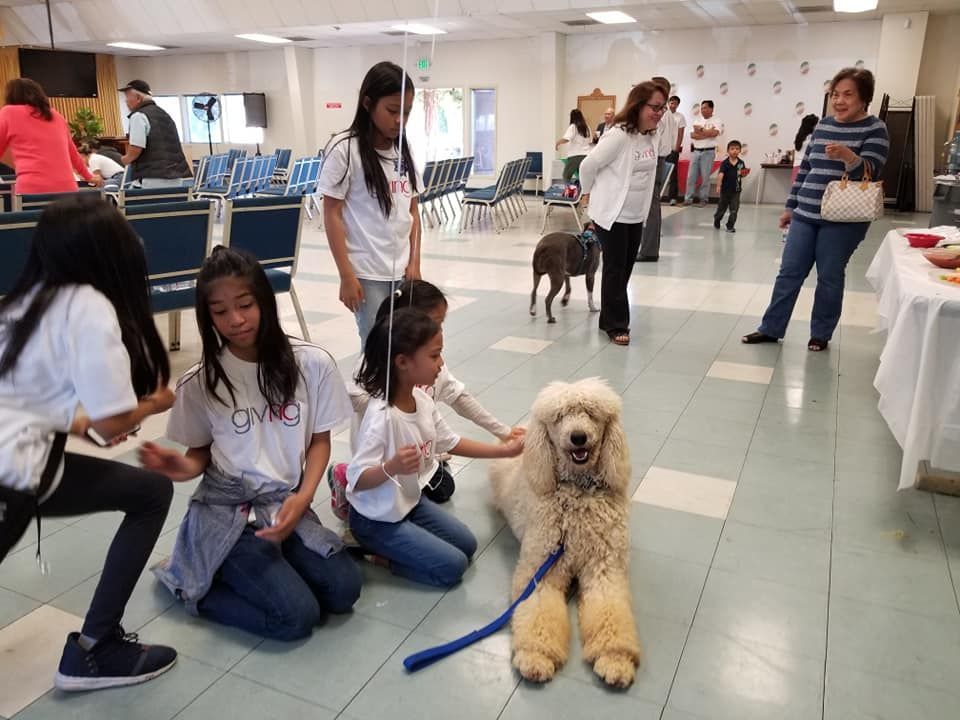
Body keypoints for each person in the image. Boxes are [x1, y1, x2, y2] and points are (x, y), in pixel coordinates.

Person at [0, 195, 176, 691]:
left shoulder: (23, 299)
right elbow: (110, 424)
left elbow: (20, 394)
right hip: (13, 473)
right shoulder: (90, 307)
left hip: (16, 458)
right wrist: (155, 403)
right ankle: (96, 650)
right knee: (152, 494)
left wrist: (72, 422)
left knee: (146, 492)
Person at [141, 247, 362, 639]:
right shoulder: (202, 381)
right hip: (232, 514)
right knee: (297, 618)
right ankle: (192, 578)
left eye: (245, 304)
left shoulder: (311, 363)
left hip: (284, 505)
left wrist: (303, 498)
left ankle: (261, 565)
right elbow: (198, 457)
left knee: (344, 590)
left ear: (263, 299)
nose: (236, 320)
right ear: (207, 316)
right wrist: (177, 468)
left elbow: (319, 442)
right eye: (220, 311)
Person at [346, 308, 524, 587]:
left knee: (467, 545)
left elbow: (451, 441)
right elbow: (356, 479)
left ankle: (405, 540)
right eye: (434, 355)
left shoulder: (422, 399)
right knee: (452, 567)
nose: (441, 364)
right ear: (403, 362)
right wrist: (390, 467)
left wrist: (505, 450)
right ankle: (377, 554)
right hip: (375, 519)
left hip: (411, 504)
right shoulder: (382, 417)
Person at [328, 280, 524, 511]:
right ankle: (345, 478)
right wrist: (389, 402)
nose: (439, 333)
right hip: (381, 464)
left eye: (441, 324)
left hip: (414, 459)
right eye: (434, 323)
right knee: (397, 496)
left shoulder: (428, 372)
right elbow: (348, 395)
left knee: (442, 487)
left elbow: (459, 403)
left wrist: (504, 433)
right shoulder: (379, 368)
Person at [742, 68, 888, 352]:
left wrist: (848, 156)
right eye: (835, 94)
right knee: (789, 272)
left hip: (844, 218)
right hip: (806, 212)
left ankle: (820, 334)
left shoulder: (875, 128)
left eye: (848, 94)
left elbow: (871, 170)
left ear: (864, 99)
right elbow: (806, 169)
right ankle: (771, 328)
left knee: (830, 275)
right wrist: (790, 206)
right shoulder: (822, 126)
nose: (839, 101)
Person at [319, 61, 422, 350]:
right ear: (367, 103)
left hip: (401, 271)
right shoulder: (344, 149)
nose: (400, 120)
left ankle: (398, 397)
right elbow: (332, 215)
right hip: (367, 274)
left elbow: (413, 211)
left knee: (404, 348)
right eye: (392, 110)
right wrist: (346, 276)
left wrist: (414, 262)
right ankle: (373, 397)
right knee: (377, 350)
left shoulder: (404, 149)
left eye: (407, 112)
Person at [579, 81, 665, 347]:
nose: (659, 113)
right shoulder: (618, 135)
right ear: (638, 105)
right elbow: (588, 164)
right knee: (615, 269)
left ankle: (609, 318)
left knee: (625, 268)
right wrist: (587, 191)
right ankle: (617, 325)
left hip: (635, 214)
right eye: (655, 107)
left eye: (662, 108)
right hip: (612, 213)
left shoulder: (652, 135)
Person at [0, 78, 101, 194]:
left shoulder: (8, 113)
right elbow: (73, 154)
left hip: (33, 189)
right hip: (67, 188)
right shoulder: (56, 115)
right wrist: (89, 177)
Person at [119, 80, 192, 188]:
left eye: (127, 97)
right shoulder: (163, 114)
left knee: (127, 201)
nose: (126, 101)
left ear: (138, 98)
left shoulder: (138, 116)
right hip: (176, 178)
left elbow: (136, 149)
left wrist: (124, 159)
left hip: (152, 178)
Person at [638, 76, 673, 262]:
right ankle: (648, 248)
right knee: (652, 205)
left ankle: (649, 250)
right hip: (658, 157)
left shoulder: (660, 113)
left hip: (655, 159)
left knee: (651, 206)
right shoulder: (667, 113)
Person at [683, 100, 723, 207]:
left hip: (708, 152)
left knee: (705, 177)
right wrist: (707, 133)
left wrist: (701, 130)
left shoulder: (716, 120)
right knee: (691, 177)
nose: (702, 110)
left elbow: (715, 133)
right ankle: (688, 199)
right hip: (696, 151)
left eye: (705, 107)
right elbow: (693, 135)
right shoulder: (697, 120)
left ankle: (703, 199)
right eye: (702, 107)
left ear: (711, 109)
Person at [713, 140, 750, 233]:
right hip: (725, 190)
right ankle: (717, 219)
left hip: (736, 191)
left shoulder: (741, 163)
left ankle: (730, 226)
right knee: (721, 209)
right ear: (728, 151)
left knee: (734, 210)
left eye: (737, 149)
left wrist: (745, 173)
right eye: (732, 149)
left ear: (740, 150)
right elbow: (721, 174)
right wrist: (718, 186)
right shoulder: (725, 163)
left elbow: (742, 175)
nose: (735, 151)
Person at [556, 109, 592, 183]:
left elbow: (567, 138)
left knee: (566, 175)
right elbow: (590, 141)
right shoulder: (587, 127)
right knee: (582, 176)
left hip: (575, 155)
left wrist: (558, 143)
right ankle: (582, 192)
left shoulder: (573, 126)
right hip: (586, 155)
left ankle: (568, 192)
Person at [665, 95, 686, 204]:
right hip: (663, 149)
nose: (672, 105)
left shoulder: (680, 117)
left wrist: (677, 148)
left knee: (673, 174)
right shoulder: (663, 114)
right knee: (659, 172)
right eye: (671, 102)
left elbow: (681, 133)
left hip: (673, 149)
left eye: (675, 103)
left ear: (678, 105)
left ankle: (673, 197)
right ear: (668, 103)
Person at [793, 113, 819, 184]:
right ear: (812, 126)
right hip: (805, 167)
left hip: (796, 166)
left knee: (795, 190)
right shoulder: (812, 138)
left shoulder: (799, 137)